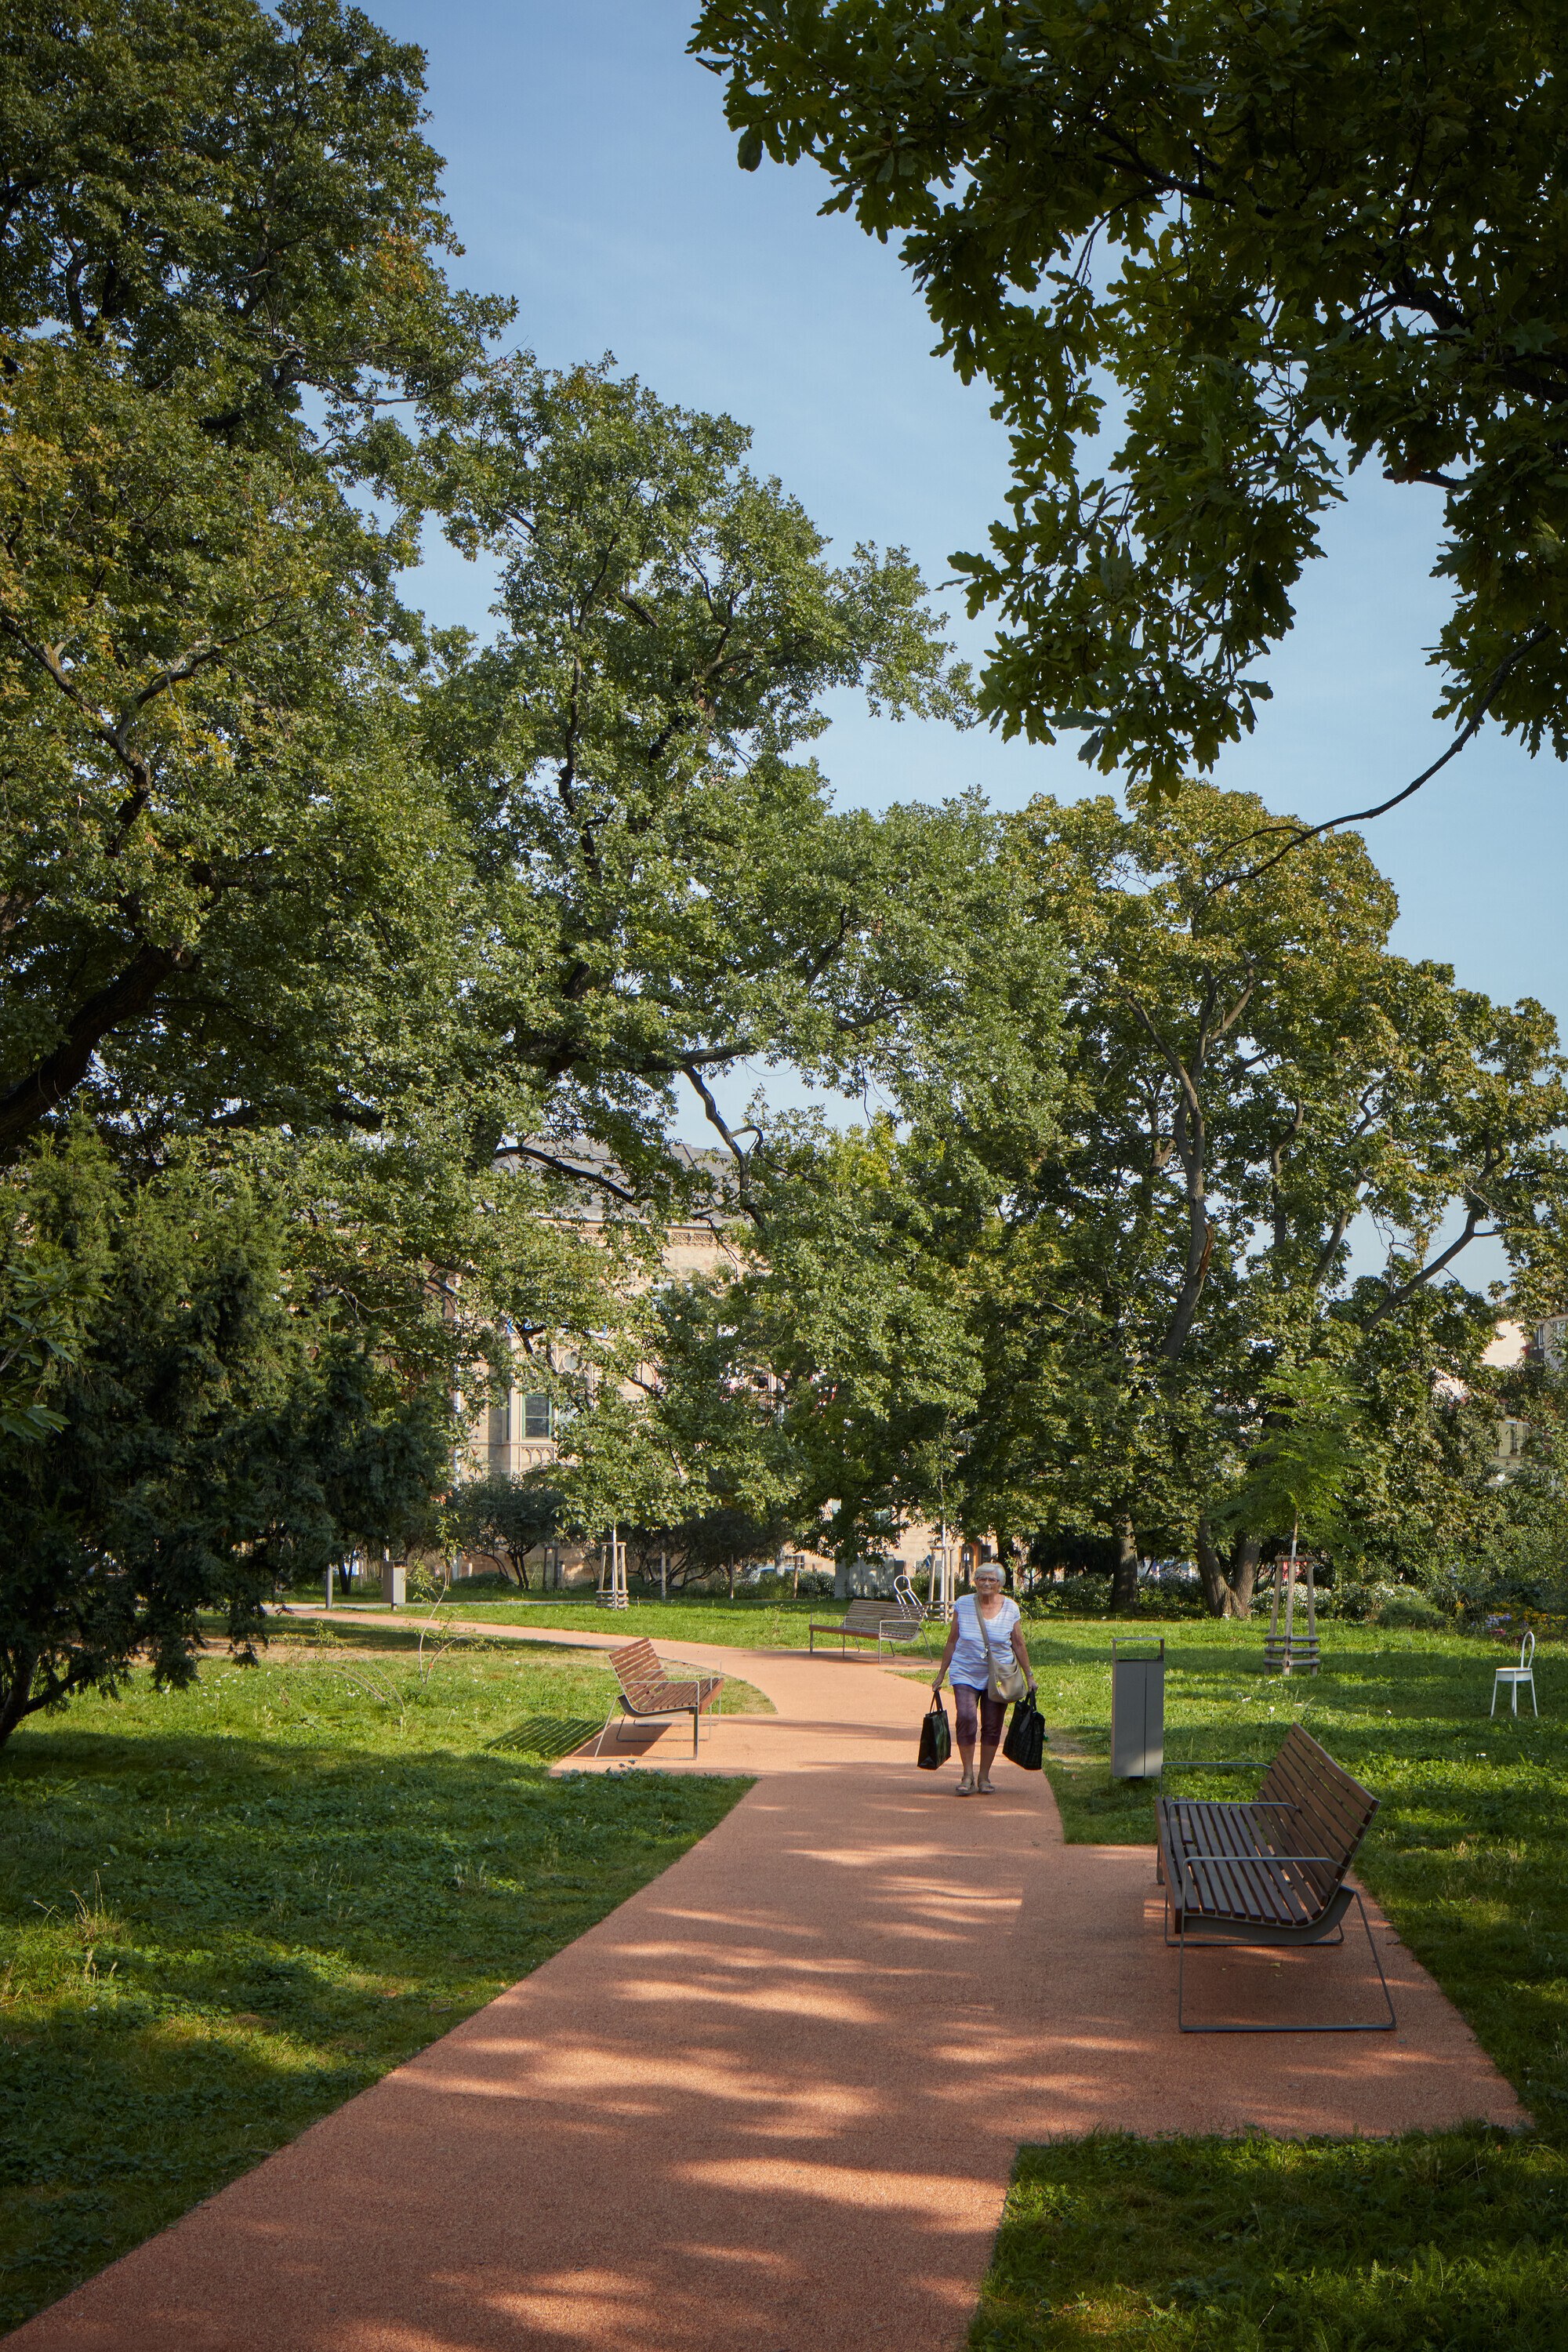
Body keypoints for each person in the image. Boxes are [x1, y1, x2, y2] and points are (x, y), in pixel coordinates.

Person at [931, 1564, 1035, 1794]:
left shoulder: (1011, 1608)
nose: (986, 1583)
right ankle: (967, 1774)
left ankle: (984, 1776)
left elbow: (1018, 1643)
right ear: (975, 1582)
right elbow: (952, 1640)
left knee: (992, 1724)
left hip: (999, 1676)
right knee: (966, 1718)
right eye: (981, 1579)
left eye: (991, 1580)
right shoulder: (963, 1604)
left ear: (1000, 1584)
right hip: (965, 1671)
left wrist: (1029, 1677)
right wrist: (941, 1674)